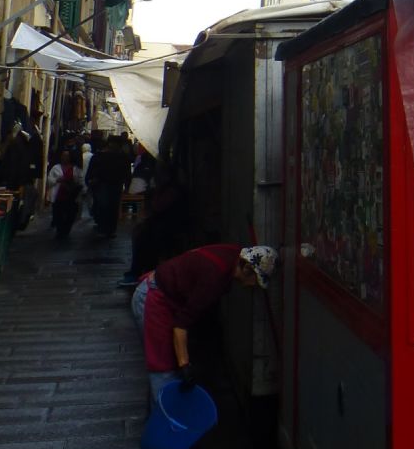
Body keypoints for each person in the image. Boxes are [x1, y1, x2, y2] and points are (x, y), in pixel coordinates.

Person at [130, 244, 276, 399]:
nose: (254, 285)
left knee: (169, 366)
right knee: (163, 369)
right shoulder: (214, 278)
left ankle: (163, 413)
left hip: (166, 293)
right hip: (153, 298)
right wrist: (184, 365)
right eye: (256, 279)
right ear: (247, 268)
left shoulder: (234, 254)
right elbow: (180, 325)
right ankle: (165, 418)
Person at [87, 135, 131, 238]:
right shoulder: (122, 157)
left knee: (106, 206)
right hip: (108, 184)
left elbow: (126, 173)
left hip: (108, 184)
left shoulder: (100, 156)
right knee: (109, 207)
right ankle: (108, 229)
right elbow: (127, 173)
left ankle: (105, 228)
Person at [47, 149, 83, 240]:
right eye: (63, 155)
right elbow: (49, 180)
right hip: (58, 195)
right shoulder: (56, 167)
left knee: (70, 214)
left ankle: (66, 230)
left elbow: (80, 181)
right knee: (58, 213)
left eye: (67, 156)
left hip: (71, 195)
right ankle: (60, 230)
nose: (64, 157)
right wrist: (57, 180)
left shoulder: (76, 168)